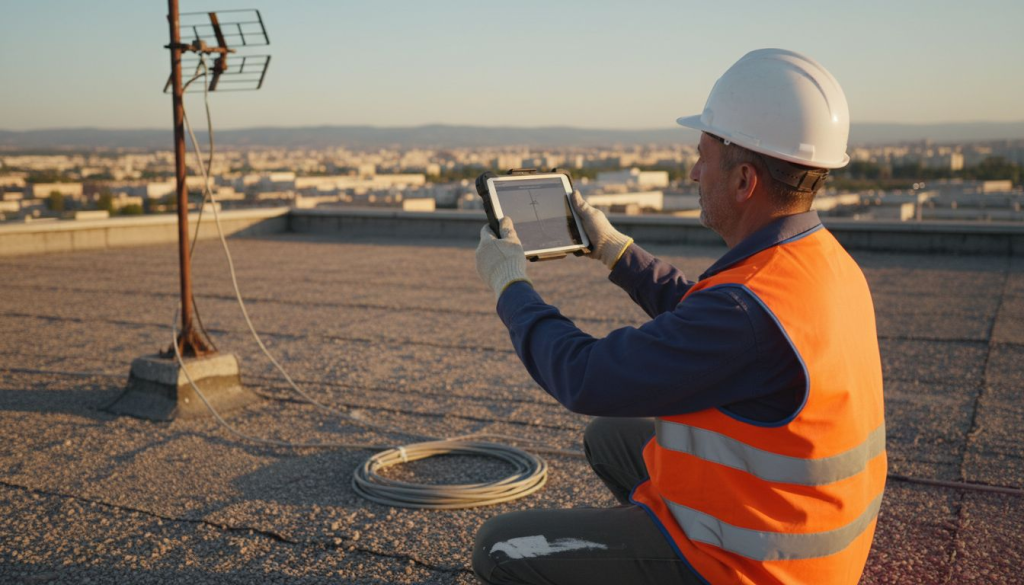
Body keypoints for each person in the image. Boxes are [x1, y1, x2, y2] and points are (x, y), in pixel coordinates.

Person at [471, 49, 887, 585]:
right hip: (807, 534)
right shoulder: (817, 261)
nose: (693, 172)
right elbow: (709, 324)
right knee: (611, 436)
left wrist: (511, 287)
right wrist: (617, 253)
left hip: (756, 568)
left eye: (702, 156)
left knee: (502, 547)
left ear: (744, 181)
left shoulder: (745, 311)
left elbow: (585, 376)